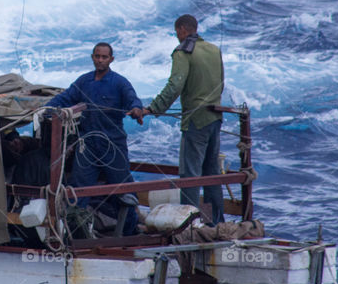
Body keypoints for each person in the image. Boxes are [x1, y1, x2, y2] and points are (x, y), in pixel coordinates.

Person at [129, 14, 225, 225]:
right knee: (212, 174)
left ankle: (189, 224)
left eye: (176, 32)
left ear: (182, 29)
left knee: (190, 174)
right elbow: (221, 83)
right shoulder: (213, 49)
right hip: (215, 118)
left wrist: (151, 109)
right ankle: (215, 223)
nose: (176, 36)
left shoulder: (183, 51)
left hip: (196, 120)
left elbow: (175, 86)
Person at [46, 43, 143, 235]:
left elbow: (133, 99)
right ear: (92, 57)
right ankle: (75, 233)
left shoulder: (120, 82)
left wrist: (136, 109)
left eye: (104, 57)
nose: (100, 60)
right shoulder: (83, 82)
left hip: (112, 145)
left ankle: (131, 232)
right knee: (78, 190)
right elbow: (65, 98)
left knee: (124, 189)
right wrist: (45, 110)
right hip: (87, 145)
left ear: (111, 60)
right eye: (97, 56)